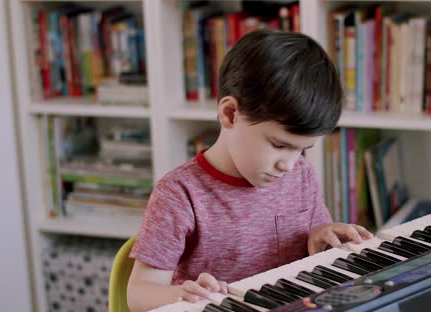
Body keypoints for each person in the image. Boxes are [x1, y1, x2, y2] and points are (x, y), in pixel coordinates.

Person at [127, 29, 373, 312]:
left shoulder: (300, 174)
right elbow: (138, 294)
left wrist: (322, 236)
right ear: (230, 114)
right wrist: (183, 295)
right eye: (279, 145)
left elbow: (312, 244)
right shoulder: (180, 194)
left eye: (301, 149)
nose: (289, 164)